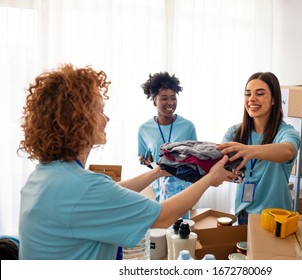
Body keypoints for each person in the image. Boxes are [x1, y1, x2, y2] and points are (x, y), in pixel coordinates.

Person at [17, 64, 236, 259]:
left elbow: (108, 192)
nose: (107, 119)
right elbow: (162, 216)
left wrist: (158, 172)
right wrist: (210, 179)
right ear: (79, 120)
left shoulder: (45, 176)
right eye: (100, 110)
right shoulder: (82, 187)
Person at [216, 72, 301, 225]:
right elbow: (221, 167)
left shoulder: (287, 132)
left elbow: (287, 151)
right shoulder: (234, 133)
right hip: (244, 216)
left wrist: (250, 150)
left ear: (274, 99)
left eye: (260, 93)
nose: (252, 99)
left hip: (277, 218)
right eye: (247, 94)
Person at [138, 72, 197, 218]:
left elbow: (196, 158)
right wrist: (145, 161)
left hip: (183, 190)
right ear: (154, 100)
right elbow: (144, 158)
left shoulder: (188, 126)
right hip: (158, 190)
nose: (170, 102)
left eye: (173, 98)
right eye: (164, 98)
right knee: (161, 231)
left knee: (181, 233)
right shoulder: (144, 129)